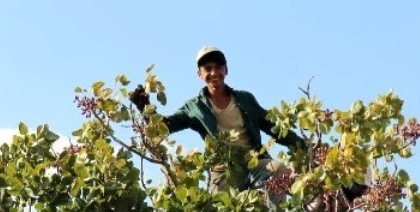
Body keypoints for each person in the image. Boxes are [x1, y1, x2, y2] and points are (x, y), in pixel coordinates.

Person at [128, 45, 305, 193]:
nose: (214, 72)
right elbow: (165, 126)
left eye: (218, 67)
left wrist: (304, 146)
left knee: (279, 170)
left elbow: (272, 127)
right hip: (223, 170)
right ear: (199, 74)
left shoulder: (245, 99)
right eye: (208, 69)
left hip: (255, 164)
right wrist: (145, 108)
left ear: (226, 70)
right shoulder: (194, 107)